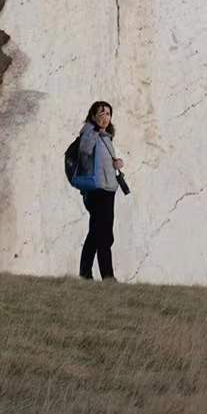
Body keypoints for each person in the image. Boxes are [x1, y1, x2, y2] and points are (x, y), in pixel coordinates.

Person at [75, 101, 124, 281]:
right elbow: (85, 151)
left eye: (108, 113)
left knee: (100, 232)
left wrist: (116, 163)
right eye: (101, 113)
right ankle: (106, 276)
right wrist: (96, 130)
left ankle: (87, 273)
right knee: (101, 233)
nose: (105, 116)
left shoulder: (107, 137)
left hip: (109, 188)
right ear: (93, 115)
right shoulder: (89, 132)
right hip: (96, 189)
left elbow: (103, 161)